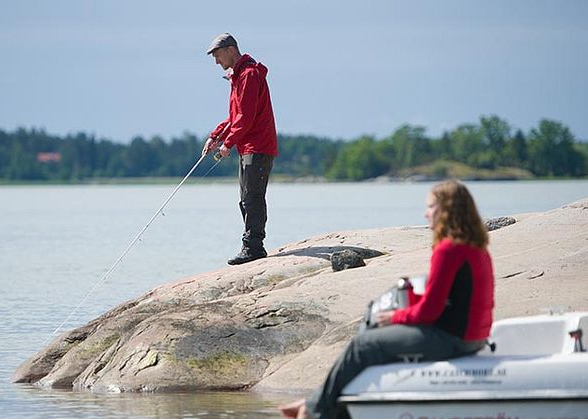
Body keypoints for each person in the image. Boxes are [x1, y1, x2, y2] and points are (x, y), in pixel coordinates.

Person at [279, 180, 495, 419]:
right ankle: (318, 403)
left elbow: (430, 312)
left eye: (431, 206)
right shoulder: (477, 247)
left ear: (446, 210)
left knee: (363, 345)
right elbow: (450, 300)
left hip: (453, 339)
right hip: (474, 338)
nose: (425, 213)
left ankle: (312, 411)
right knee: (376, 339)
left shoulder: (448, 249)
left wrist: (395, 316)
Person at [202, 33, 278, 265]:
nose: (216, 61)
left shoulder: (249, 75)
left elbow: (245, 118)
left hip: (258, 146)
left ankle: (254, 247)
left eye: (217, 55)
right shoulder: (238, 77)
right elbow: (235, 117)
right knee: (245, 198)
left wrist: (227, 144)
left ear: (230, 49)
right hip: (247, 146)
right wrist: (216, 136)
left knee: (253, 197)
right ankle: (252, 245)